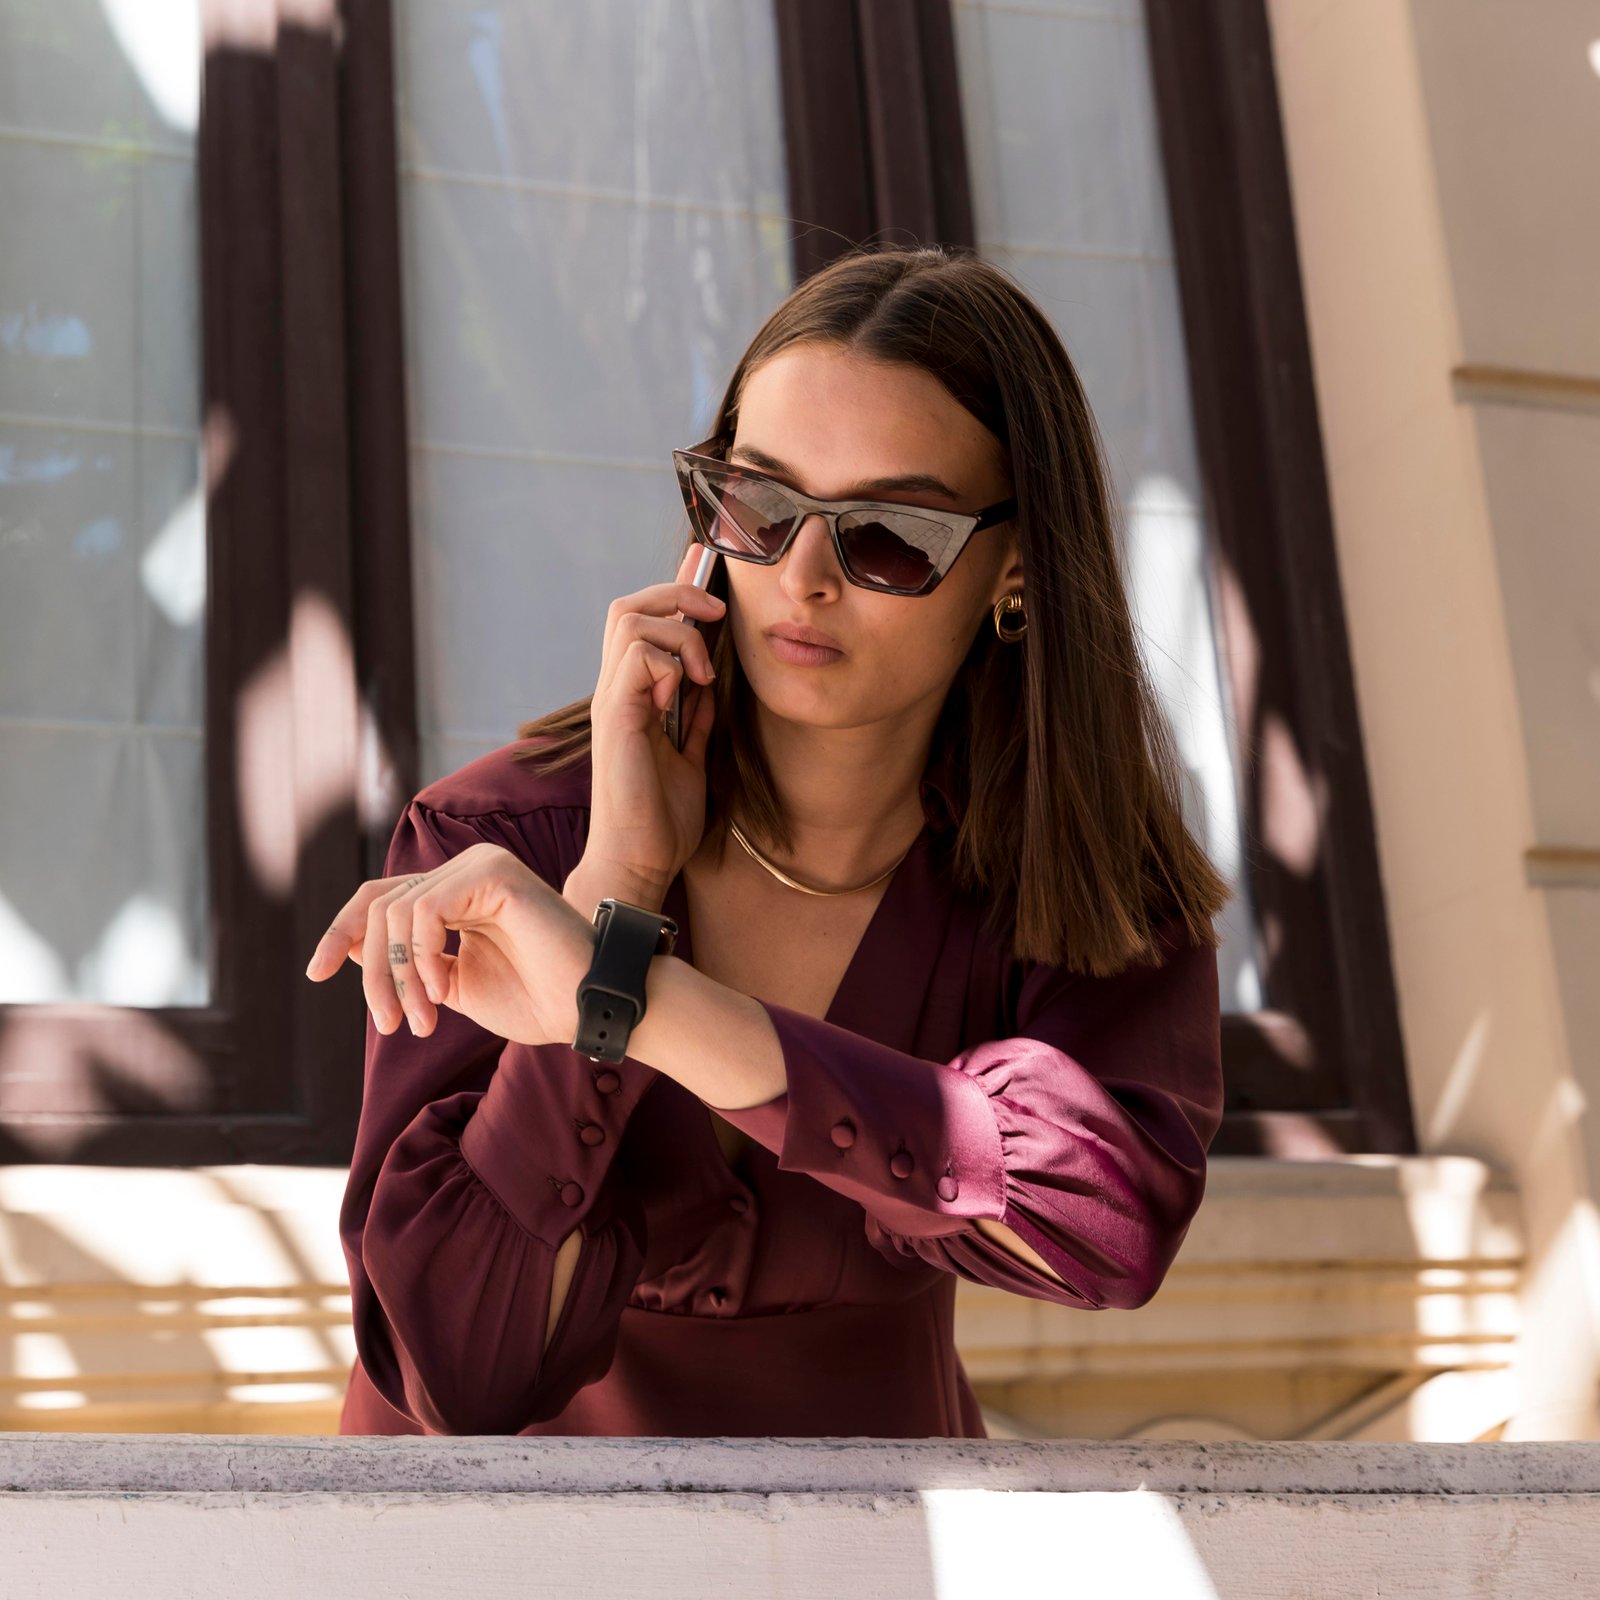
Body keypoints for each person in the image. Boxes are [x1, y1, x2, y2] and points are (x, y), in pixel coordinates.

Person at [308, 243, 1232, 1439]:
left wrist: (626, 998)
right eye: (760, 503)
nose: (801, 577)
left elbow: (1105, 1228)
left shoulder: (1086, 882)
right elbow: (456, 1379)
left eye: (890, 534)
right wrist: (617, 883)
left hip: (874, 1543)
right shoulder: (498, 847)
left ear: (1015, 572)